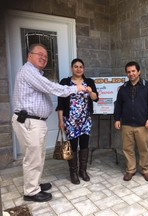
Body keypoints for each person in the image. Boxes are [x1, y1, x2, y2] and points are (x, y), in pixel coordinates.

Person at [11, 44, 88, 202]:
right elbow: (51, 87)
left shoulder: (35, 73)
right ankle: (31, 191)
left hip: (35, 122)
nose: (43, 58)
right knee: (33, 157)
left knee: (37, 156)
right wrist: (75, 88)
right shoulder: (28, 71)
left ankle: (35, 184)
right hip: (30, 121)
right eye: (39, 54)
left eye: (46, 56)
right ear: (29, 56)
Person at [114, 61, 148, 181]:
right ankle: (130, 170)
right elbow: (118, 105)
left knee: (143, 148)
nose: (131, 73)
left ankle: (146, 170)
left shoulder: (147, 86)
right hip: (126, 124)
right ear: (126, 74)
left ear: (139, 72)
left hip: (142, 125)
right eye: (129, 72)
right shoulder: (123, 88)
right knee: (128, 148)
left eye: (133, 71)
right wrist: (117, 118)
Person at [56, 58, 98, 184]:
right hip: (70, 120)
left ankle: (83, 171)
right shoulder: (65, 82)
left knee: (84, 145)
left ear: (83, 69)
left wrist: (91, 92)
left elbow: (96, 98)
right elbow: (61, 104)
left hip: (85, 119)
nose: (78, 69)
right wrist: (61, 121)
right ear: (72, 68)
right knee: (73, 146)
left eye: (81, 66)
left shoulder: (89, 82)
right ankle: (73, 172)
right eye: (76, 66)